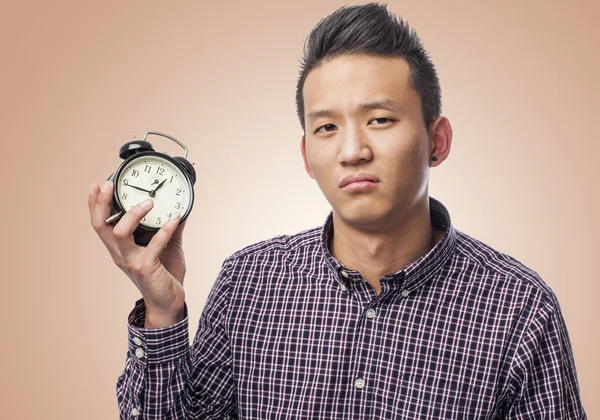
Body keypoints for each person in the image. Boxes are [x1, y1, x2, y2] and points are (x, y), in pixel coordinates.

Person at [88, 3, 587, 419]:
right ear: (307, 156)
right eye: (327, 128)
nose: (353, 150)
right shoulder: (248, 283)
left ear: (437, 140)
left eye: (380, 119)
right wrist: (162, 309)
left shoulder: (521, 310)